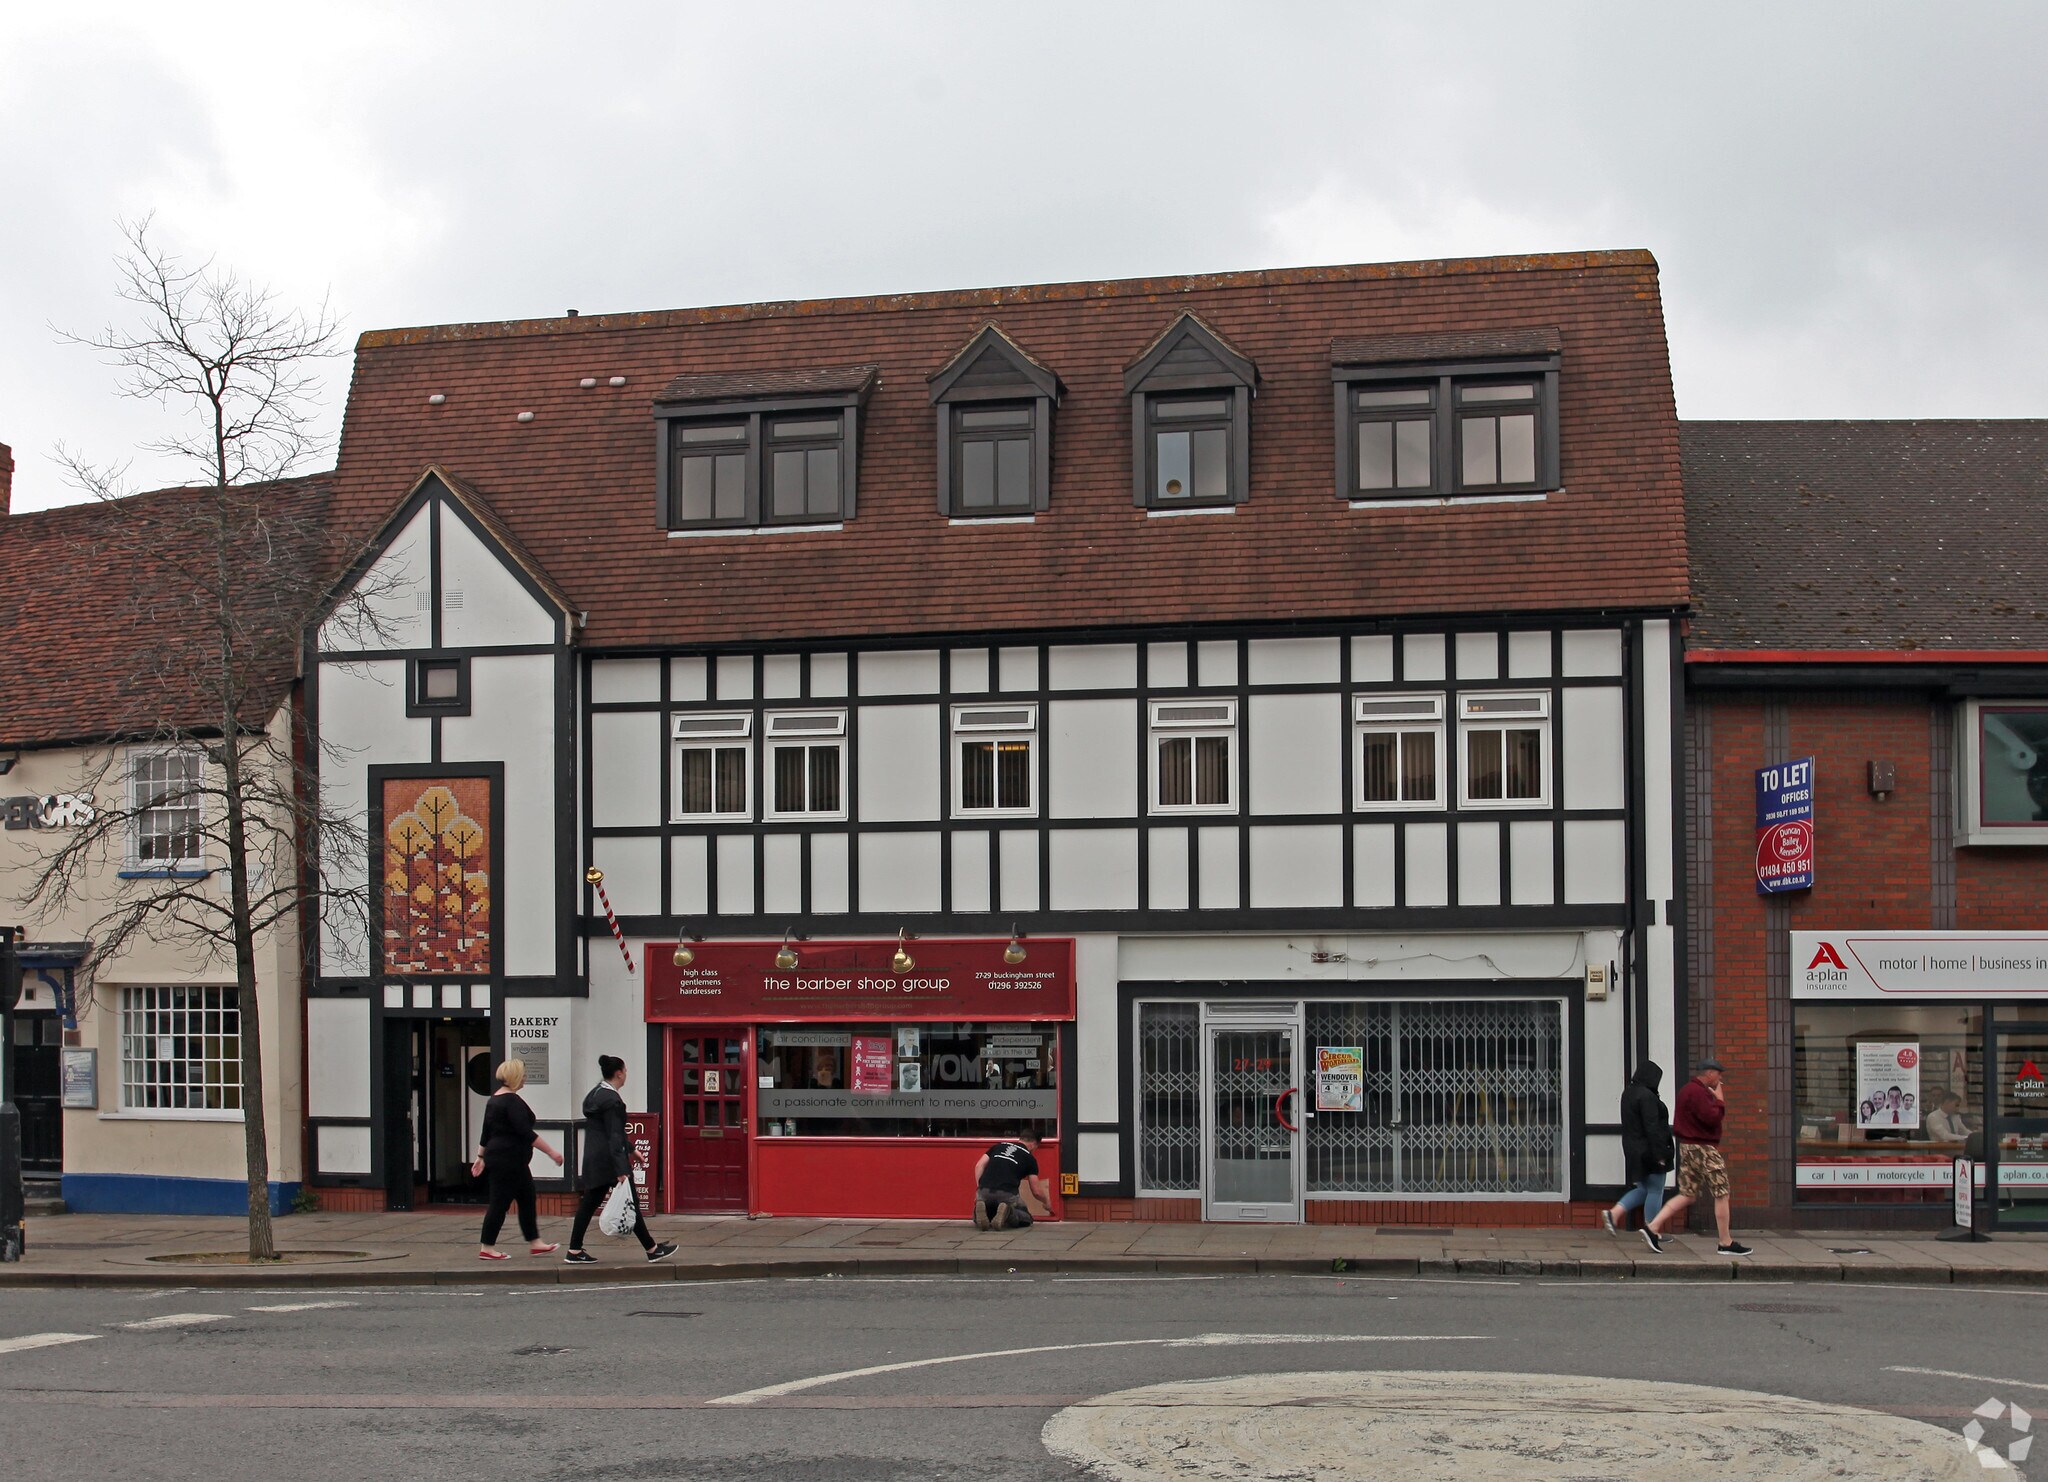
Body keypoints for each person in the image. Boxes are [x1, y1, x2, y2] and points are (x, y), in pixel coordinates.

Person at [564, 1055, 677, 1266]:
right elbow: (614, 1135)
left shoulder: (595, 1094)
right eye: (625, 1071)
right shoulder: (613, 1101)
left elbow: (609, 1131)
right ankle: (652, 1250)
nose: (626, 1075)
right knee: (630, 1202)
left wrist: (632, 1150)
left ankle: (574, 1249)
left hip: (594, 1159)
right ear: (619, 1073)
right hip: (609, 1162)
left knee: (588, 1204)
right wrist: (621, 1168)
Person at [1644, 1059, 1752, 1257]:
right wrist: (1719, 1099)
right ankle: (1725, 1242)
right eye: (1719, 1074)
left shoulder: (1688, 1090)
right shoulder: (1698, 1092)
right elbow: (1711, 1117)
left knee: (1688, 1194)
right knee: (1722, 1192)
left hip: (1688, 1147)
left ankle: (1653, 1227)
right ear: (1710, 1073)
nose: (1720, 1078)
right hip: (1703, 1148)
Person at [473, 1059, 564, 1260]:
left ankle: (535, 1243)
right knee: (499, 1202)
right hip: (508, 1160)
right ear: (515, 1076)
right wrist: (551, 1152)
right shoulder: (511, 1101)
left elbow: (486, 1132)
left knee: (527, 1198)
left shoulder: (494, 1099)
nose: (525, 1077)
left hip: (508, 1159)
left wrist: (480, 1157)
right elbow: (525, 1132)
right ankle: (487, 1248)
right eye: (523, 1074)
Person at [1603, 1061, 1672, 1235]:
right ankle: (1652, 1230)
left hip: (1633, 1149)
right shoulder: (1647, 1096)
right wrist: (1660, 1154)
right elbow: (1652, 1127)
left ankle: (1614, 1213)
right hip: (1649, 1150)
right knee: (1656, 1189)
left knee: (1643, 1189)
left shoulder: (1629, 1093)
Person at [971, 1131, 1048, 1230]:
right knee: (1026, 1218)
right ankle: (1009, 1212)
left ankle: (981, 1212)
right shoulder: (1030, 1159)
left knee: (989, 1208)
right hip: (1007, 1194)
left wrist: (979, 1189)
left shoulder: (998, 1146)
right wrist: (1046, 1202)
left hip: (984, 1191)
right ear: (1034, 1144)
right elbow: (1036, 1191)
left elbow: (979, 1166)